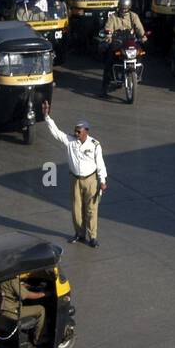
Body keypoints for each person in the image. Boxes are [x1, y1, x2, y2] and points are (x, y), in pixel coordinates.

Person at [41, 103, 107, 247]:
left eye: (79, 132)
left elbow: (100, 164)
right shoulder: (70, 141)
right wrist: (47, 117)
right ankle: (80, 234)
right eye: (75, 131)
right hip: (75, 180)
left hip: (91, 180)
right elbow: (56, 132)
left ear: (86, 132)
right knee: (77, 208)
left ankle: (93, 237)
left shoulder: (95, 145)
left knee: (91, 209)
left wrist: (102, 181)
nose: (76, 134)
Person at [101, 0, 147, 93]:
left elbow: (139, 27)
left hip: (130, 41)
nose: (123, 10)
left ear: (129, 8)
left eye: (125, 8)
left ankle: (137, 74)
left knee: (139, 53)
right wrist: (109, 36)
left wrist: (143, 36)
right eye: (121, 8)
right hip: (117, 41)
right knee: (109, 60)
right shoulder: (113, 17)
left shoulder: (133, 16)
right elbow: (108, 27)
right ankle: (104, 87)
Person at [0, 275, 47, 346]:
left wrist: (23, 285)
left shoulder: (0, 277)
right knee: (41, 309)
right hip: (12, 312)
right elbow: (25, 295)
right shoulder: (12, 278)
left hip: (0, 311)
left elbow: (11, 288)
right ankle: (37, 340)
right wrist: (42, 294)